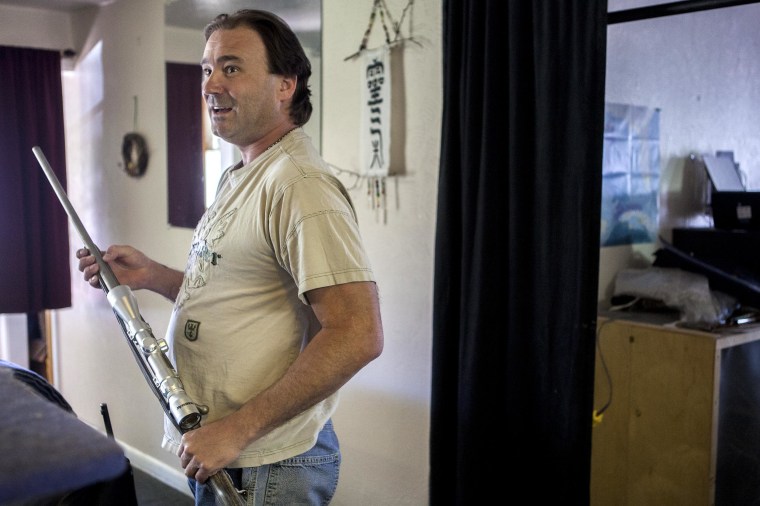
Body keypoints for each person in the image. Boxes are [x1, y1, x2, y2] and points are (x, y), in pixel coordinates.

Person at [77, 9, 383, 505]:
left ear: (286, 85)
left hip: (268, 463)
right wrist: (151, 275)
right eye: (206, 68)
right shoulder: (241, 175)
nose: (211, 83)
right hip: (227, 452)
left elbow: (358, 334)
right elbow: (235, 297)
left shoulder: (299, 185)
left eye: (232, 67)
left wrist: (237, 430)